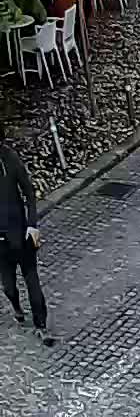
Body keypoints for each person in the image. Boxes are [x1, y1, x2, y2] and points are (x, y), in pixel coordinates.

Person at [0, 139, 50, 346]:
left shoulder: (10, 159)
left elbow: (29, 193)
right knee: (9, 287)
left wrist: (32, 225)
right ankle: (17, 308)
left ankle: (41, 325)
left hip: (21, 235)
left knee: (33, 282)